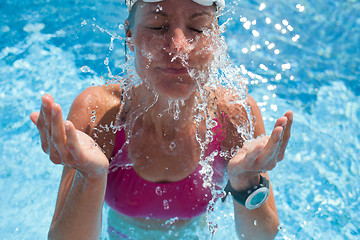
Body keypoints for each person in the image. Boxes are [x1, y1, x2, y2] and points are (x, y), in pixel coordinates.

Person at [30, 0, 293, 239]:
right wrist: (91, 176)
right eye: (158, 26)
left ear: (216, 40)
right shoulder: (99, 115)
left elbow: (262, 237)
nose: (178, 47)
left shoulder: (234, 115)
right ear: (129, 35)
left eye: (198, 28)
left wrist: (246, 181)